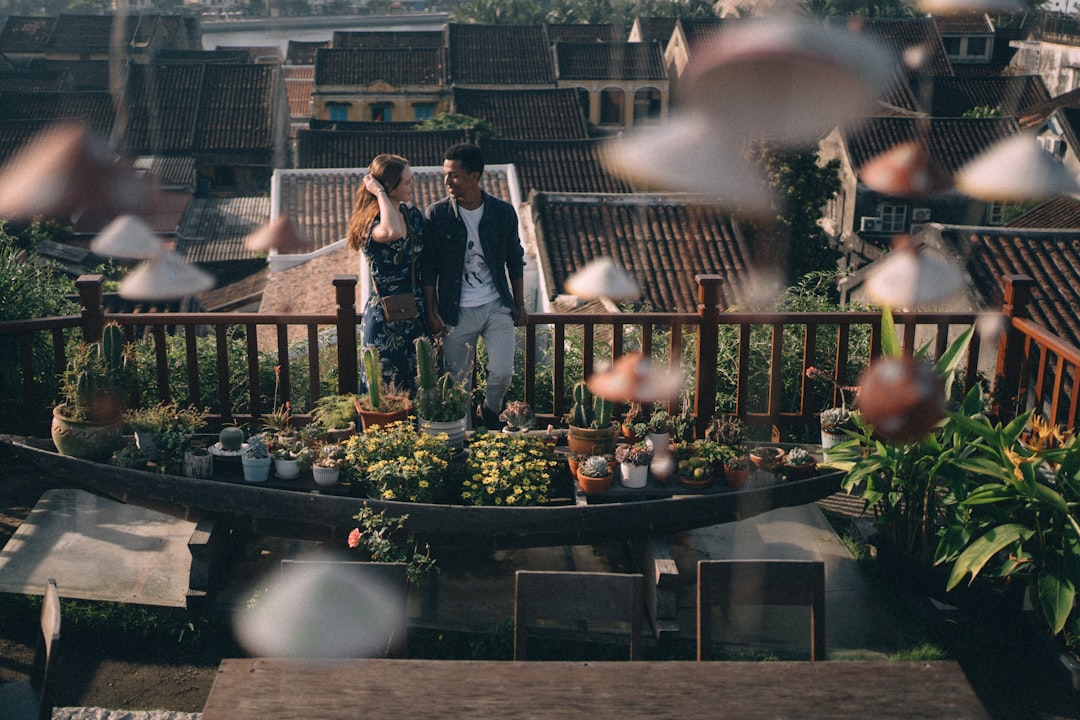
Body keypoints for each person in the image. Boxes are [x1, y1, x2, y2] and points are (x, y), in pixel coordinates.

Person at [422, 143, 527, 428]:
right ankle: (464, 443)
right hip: (455, 310)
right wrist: (432, 312)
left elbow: (514, 259)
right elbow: (428, 268)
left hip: (497, 305)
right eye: (445, 174)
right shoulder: (438, 214)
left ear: (475, 176)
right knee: (458, 386)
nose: (447, 182)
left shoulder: (503, 213)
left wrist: (519, 303)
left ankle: (490, 412)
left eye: (453, 175)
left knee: (503, 371)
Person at [346, 153, 427, 394]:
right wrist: (379, 192)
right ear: (391, 187)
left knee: (420, 385)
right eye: (407, 182)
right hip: (384, 314)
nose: (412, 186)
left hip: (416, 309)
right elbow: (391, 231)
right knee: (383, 390)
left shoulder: (412, 215)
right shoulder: (371, 222)